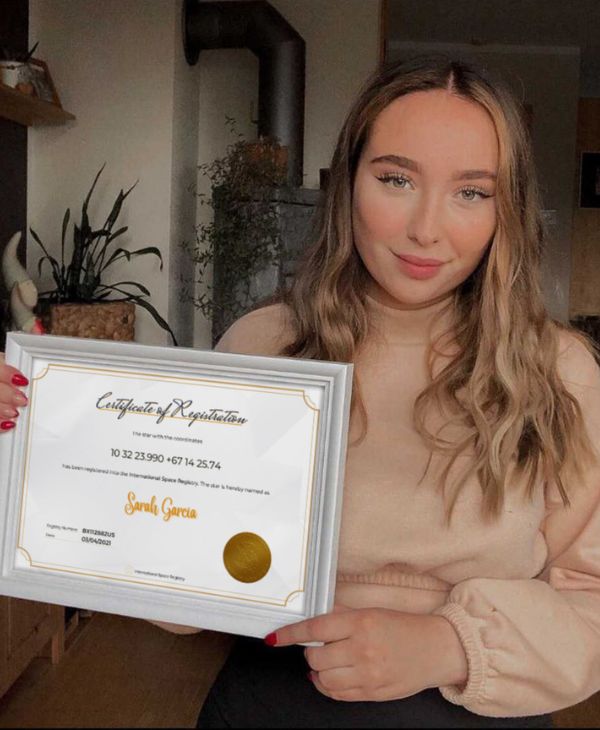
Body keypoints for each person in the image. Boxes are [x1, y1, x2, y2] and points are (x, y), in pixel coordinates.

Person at [2, 55, 600, 727]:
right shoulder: (264, 342)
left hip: (476, 708)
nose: (427, 228)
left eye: (471, 192)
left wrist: (449, 645)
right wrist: (35, 435)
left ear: (506, 209)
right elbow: (173, 578)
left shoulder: (562, 372)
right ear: (347, 184)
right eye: (396, 179)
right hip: (272, 701)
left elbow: (592, 597)